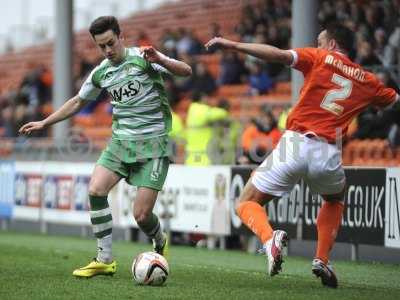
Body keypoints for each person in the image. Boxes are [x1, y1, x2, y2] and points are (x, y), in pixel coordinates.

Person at [205, 23, 399, 288]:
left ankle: (268, 238)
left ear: (331, 44)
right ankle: (321, 259)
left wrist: (235, 45)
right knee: (335, 198)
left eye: (320, 41)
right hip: (329, 153)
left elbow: (278, 54)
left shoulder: (320, 57)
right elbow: (394, 102)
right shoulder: (368, 80)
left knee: (246, 202)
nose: (317, 46)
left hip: (296, 143)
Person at [19, 16, 192, 278]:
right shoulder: (102, 72)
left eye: (111, 43)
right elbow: (78, 101)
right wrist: (45, 122)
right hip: (120, 143)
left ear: (121, 37)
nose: (108, 50)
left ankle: (160, 239)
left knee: (142, 216)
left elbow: (186, 71)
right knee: (95, 189)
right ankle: (105, 259)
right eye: (102, 46)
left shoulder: (145, 58)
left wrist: (162, 60)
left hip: (154, 144)